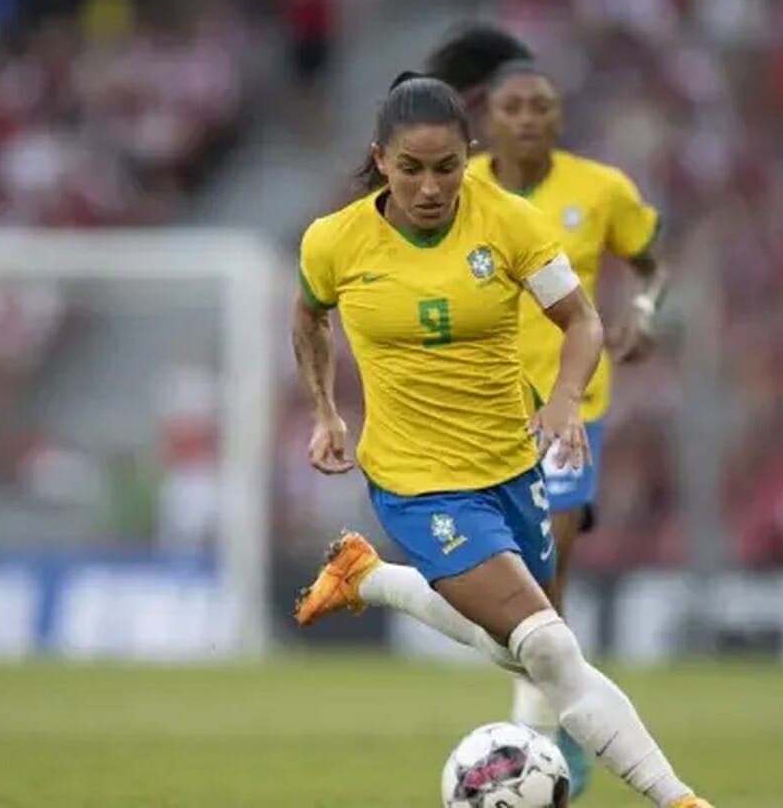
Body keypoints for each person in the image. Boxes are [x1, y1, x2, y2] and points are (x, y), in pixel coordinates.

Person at [291, 72, 712, 808]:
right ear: (381, 160)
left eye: (447, 167)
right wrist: (327, 410)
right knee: (549, 644)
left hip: (513, 466)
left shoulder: (508, 222)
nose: (430, 186)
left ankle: (371, 578)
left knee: (528, 649)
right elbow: (308, 318)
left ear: (468, 156)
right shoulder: (335, 240)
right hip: (416, 481)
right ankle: (679, 798)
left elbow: (580, 321)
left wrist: (566, 400)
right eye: (412, 168)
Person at [469, 57, 669, 797]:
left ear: (558, 116)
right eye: (514, 106)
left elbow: (650, 265)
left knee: (549, 557)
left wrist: (646, 312)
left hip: (568, 403)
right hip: (479, 403)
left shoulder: (601, 189)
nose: (527, 118)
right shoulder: (460, 191)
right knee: (513, 575)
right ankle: (554, 711)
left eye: (541, 106)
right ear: (490, 117)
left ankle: (543, 733)